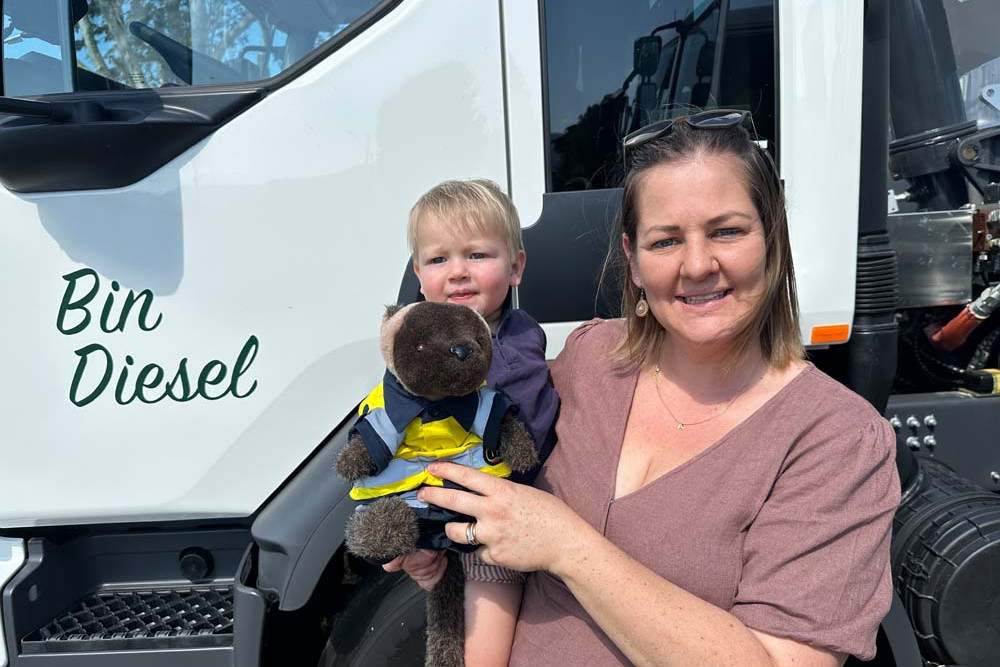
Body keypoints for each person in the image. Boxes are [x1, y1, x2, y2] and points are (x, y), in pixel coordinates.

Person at [410, 111, 901, 666]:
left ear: (772, 238)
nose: (697, 265)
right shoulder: (591, 361)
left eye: (727, 231)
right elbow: (497, 505)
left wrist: (569, 546)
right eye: (666, 241)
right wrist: (433, 547)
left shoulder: (836, 439)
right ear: (634, 261)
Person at [382, 178, 560, 666]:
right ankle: (421, 556)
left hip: (494, 520)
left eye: (478, 255)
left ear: (515, 266)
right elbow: (390, 426)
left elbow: (528, 431)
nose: (458, 272)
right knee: (426, 589)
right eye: (439, 259)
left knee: (483, 639)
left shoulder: (517, 341)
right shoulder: (412, 344)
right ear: (420, 275)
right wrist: (413, 532)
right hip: (432, 502)